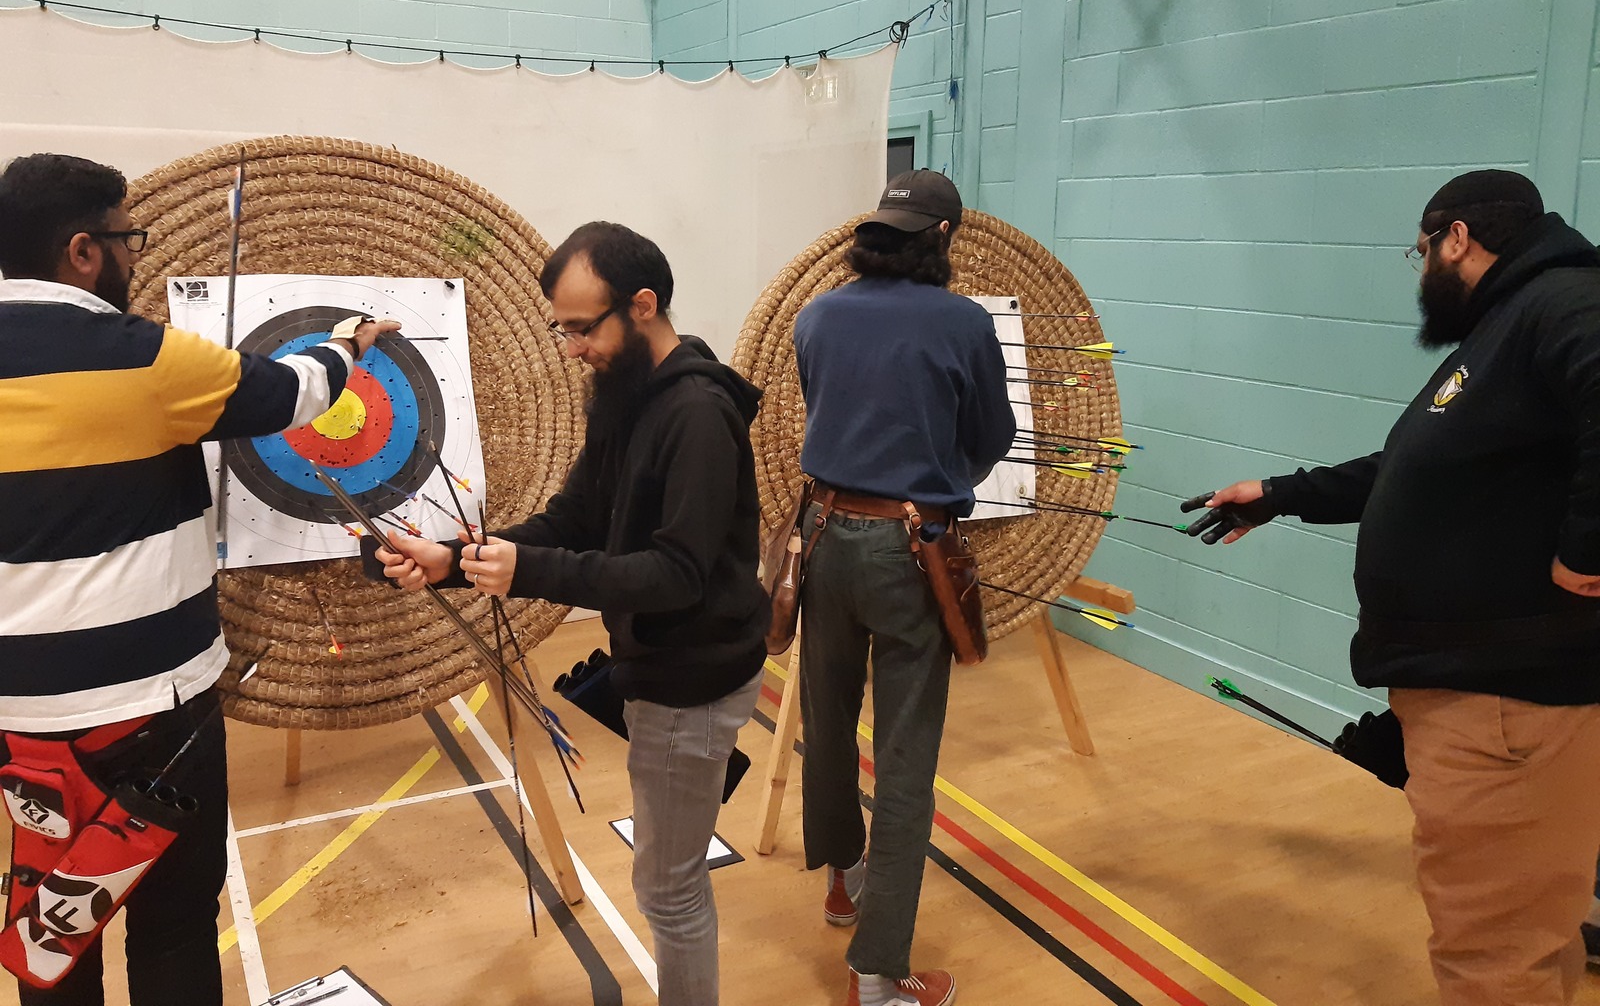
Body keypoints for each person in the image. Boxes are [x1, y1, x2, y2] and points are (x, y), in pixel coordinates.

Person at [1181, 169, 1600, 1006]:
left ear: (1456, 238)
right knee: (1528, 943)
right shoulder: (1507, 328)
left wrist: (1588, 549)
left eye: (1420, 252)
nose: (1420, 273)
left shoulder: (1562, 301)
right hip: (1487, 699)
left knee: (1494, 958)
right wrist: (1285, 494)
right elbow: (1422, 472)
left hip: (1508, 706)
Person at [0, 152, 397, 1005]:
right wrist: (348, 343)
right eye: (125, 239)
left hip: (19, 723)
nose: (134, 257)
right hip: (154, 712)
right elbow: (292, 393)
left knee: (55, 923)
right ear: (81, 251)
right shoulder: (142, 359)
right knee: (175, 922)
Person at [377, 221, 766, 1006]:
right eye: (563, 328)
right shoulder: (625, 398)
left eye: (582, 328)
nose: (571, 347)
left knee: (670, 889)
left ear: (644, 305)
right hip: (657, 670)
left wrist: (531, 570)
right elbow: (576, 519)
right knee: (667, 875)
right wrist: (456, 560)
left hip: (693, 678)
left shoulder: (697, 414)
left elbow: (679, 574)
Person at [790, 169, 1014, 1006]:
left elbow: (827, 414)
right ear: (944, 239)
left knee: (829, 717)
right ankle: (879, 978)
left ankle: (843, 885)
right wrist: (938, 476)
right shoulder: (963, 323)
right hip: (909, 548)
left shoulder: (818, 316)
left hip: (821, 539)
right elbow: (992, 433)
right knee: (907, 760)